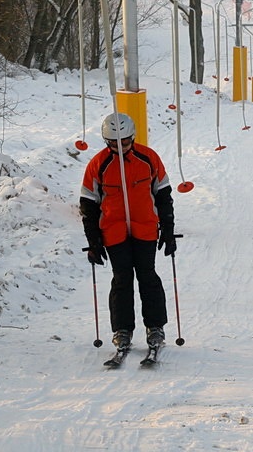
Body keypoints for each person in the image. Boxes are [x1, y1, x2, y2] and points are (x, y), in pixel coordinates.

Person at [80, 113, 175, 352]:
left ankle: (155, 327)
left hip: (145, 229)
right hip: (113, 232)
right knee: (121, 279)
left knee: (148, 276)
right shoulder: (98, 164)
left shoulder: (149, 158)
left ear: (132, 137)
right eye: (113, 143)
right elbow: (88, 205)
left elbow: (163, 196)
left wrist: (168, 231)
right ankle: (122, 330)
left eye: (124, 142)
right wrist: (93, 241)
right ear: (106, 141)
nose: (120, 147)